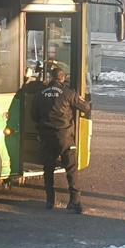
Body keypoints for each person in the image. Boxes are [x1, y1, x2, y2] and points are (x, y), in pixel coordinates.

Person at [31, 67, 91, 213]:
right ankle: (74, 202)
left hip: (46, 136)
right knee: (71, 169)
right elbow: (85, 108)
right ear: (63, 78)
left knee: (48, 169)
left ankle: (50, 200)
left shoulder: (40, 94)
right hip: (64, 137)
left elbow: (34, 115)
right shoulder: (68, 93)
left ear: (51, 77)